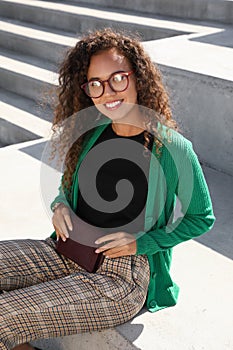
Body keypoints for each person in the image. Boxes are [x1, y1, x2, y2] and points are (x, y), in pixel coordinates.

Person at [0, 28, 215, 350]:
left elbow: (202, 217)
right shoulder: (91, 134)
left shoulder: (172, 148)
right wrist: (60, 205)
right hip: (65, 250)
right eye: (95, 84)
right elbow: (66, 185)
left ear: (138, 77)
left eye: (118, 78)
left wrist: (142, 242)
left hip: (121, 275)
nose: (108, 92)